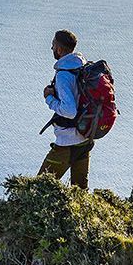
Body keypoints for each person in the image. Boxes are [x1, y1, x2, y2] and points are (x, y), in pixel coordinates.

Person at [40, 28, 91, 189]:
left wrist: (49, 98)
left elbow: (69, 111)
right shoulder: (82, 66)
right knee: (80, 190)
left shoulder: (63, 75)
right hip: (85, 138)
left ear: (60, 49)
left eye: (53, 44)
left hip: (67, 142)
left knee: (39, 187)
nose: (52, 48)